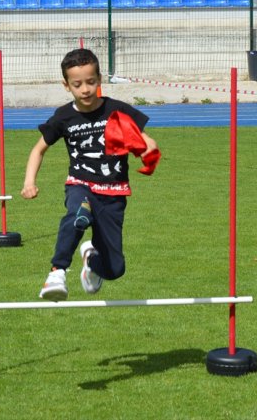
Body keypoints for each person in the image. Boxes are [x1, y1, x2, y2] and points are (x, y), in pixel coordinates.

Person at [21, 49, 159, 301]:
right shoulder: (63, 117)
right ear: (66, 85)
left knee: (115, 269)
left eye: (90, 82)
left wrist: (148, 145)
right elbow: (38, 149)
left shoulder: (117, 110)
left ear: (99, 80)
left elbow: (143, 138)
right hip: (81, 184)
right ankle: (56, 272)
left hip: (114, 192)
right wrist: (29, 182)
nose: (85, 89)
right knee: (78, 214)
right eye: (77, 84)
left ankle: (92, 259)